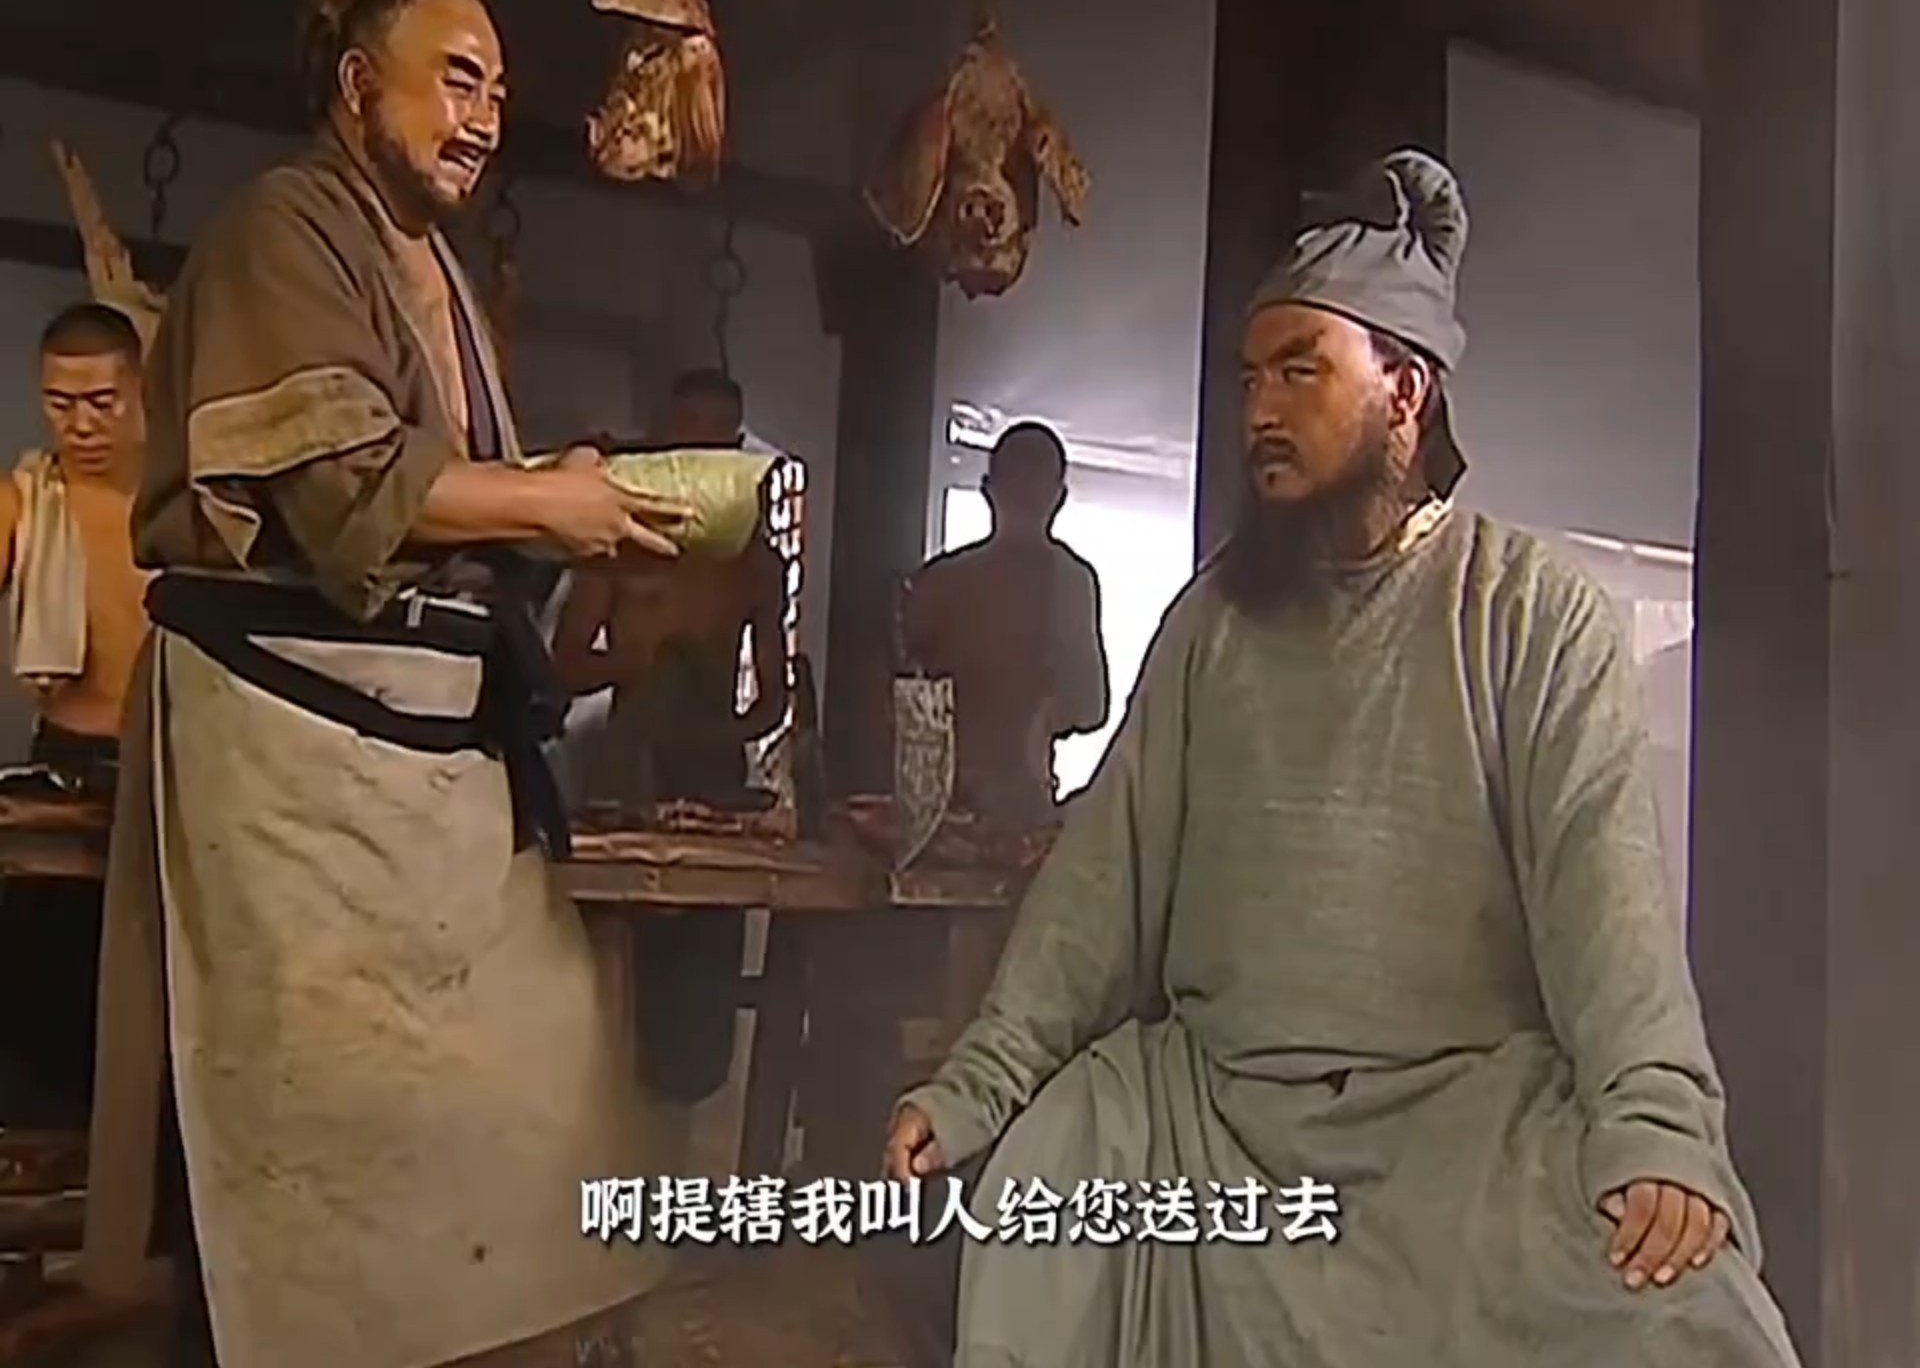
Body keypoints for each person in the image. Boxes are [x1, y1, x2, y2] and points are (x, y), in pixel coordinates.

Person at [880, 151, 1802, 1367]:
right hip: (1207, 1120)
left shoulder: (1530, 613)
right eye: (1249, 377)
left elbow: (1610, 916)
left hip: (1463, 1131)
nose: (1260, 409)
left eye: (1300, 370)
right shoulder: (1210, 626)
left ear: (1404, 389)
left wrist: (1658, 1128)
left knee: (1688, 1305)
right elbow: (1095, 897)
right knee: (1035, 1204)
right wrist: (977, 1086)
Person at [81, 0, 690, 1368]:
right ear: (360, 86)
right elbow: (341, 481)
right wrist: (545, 500)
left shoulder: (433, 264)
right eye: (457, 81)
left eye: (499, 94)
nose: (484, 119)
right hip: (294, 761)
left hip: (427, 756)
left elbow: (456, 493)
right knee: (319, 1138)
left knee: (536, 1092)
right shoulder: (283, 227)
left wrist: (570, 500)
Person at [552, 368, 788, 1111]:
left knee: (702, 988)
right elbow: (562, 664)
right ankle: (595, 1124)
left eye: (718, 438)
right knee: (614, 972)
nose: (702, 448)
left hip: (714, 777)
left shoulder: (753, 562)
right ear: (663, 440)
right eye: (689, 433)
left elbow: (773, 700)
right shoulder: (620, 543)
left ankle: (689, 1120)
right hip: (628, 771)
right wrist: (632, 665)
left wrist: (719, 730)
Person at [0, 302, 148, 1128]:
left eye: (101, 402)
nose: (81, 425)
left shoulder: (185, 507)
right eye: (61, 404)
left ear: (138, 392)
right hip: (67, 768)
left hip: (172, 768)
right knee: (48, 997)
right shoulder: (28, 502)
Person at [903, 421, 1108, 828]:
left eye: (1033, 492)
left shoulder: (944, 581)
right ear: (1059, 497)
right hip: (962, 806)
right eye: (1022, 491)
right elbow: (898, 698)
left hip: (998, 806)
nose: (1028, 503)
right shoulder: (942, 584)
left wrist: (1044, 717)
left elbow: (1091, 704)